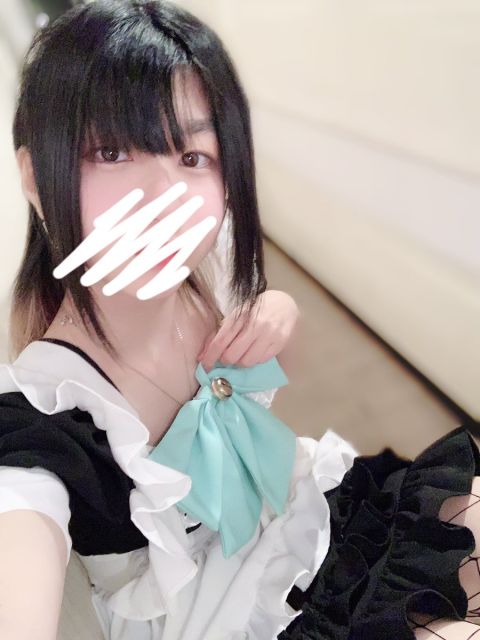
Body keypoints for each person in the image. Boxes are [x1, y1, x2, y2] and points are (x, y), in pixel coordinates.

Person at [0, 1, 478, 640]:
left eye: (192, 156)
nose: (164, 194)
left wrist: (278, 312)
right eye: (111, 151)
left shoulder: (205, 269)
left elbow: (261, 325)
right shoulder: (43, 417)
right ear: (36, 177)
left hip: (298, 518)